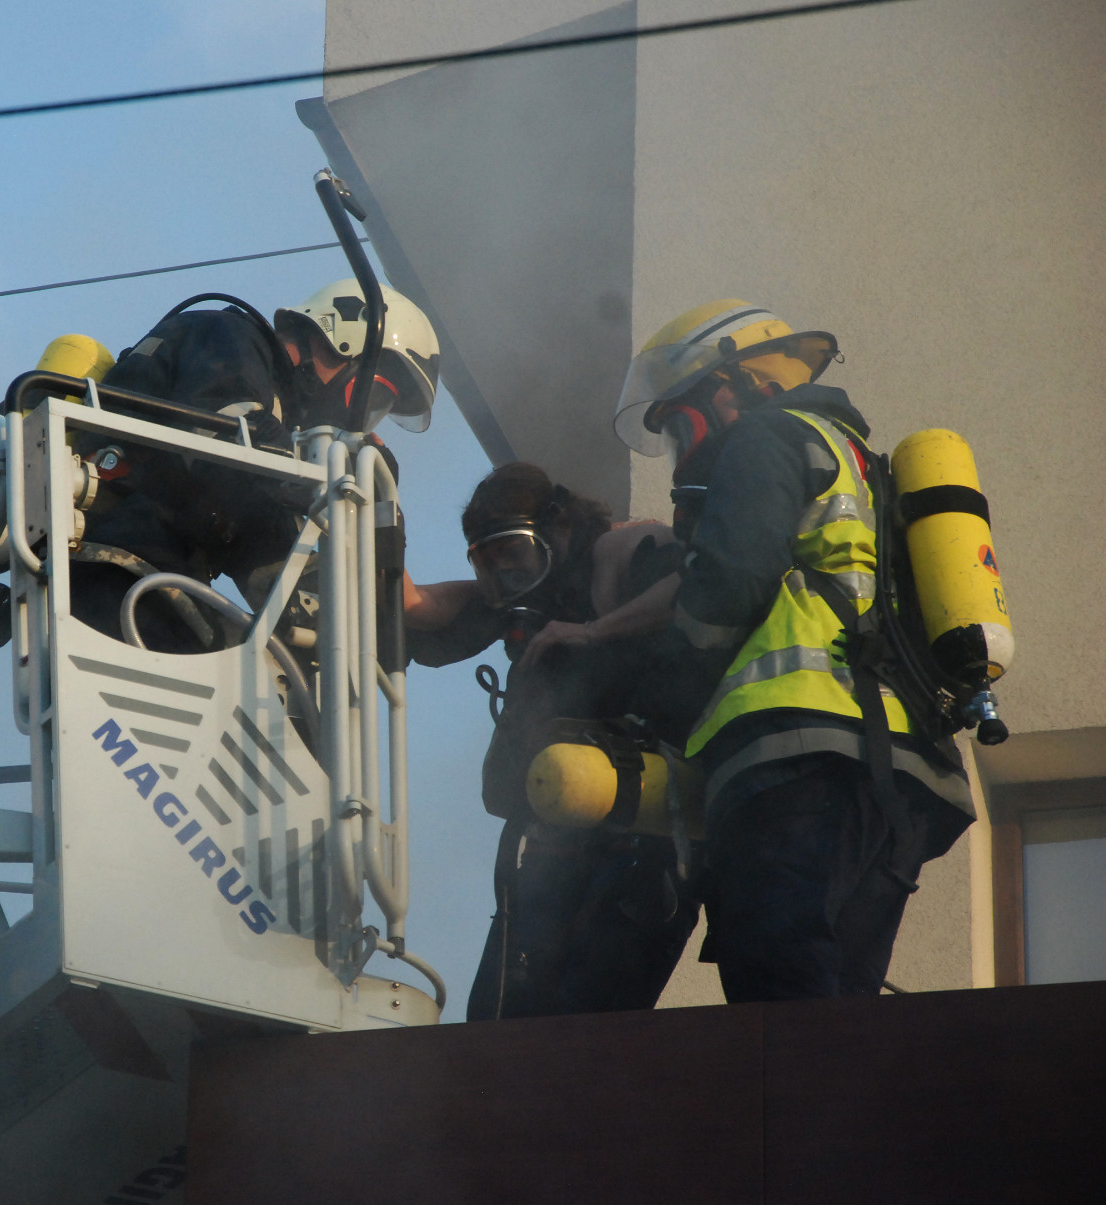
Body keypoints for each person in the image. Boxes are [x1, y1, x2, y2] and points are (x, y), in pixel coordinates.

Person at [614, 299, 973, 1001]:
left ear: (734, 384)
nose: (684, 451)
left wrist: (660, 696)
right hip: (908, 776)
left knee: (778, 986)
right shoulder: (863, 465)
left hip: (803, 755)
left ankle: (802, 1114)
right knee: (840, 997)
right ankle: (840, 1114)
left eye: (681, 425)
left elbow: (732, 582)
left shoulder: (768, 436)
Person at [404, 463, 697, 1020]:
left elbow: (701, 583)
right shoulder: (527, 603)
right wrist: (369, 514)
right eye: (486, 563)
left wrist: (591, 631)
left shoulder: (626, 549)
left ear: (558, 524)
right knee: (497, 1022)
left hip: (641, 843)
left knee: (588, 1030)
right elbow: (422, 607)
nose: (505, 576)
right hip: (550, 848)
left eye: (513, 552)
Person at [69, 281, 440, 652]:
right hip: (114, 560)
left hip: (150, 580)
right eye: (373, 397)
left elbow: (269, 550)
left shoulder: (266, 454)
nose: (360, 421)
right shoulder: (229, 337)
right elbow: (224, 433)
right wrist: (339, 465)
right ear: (343, 337)